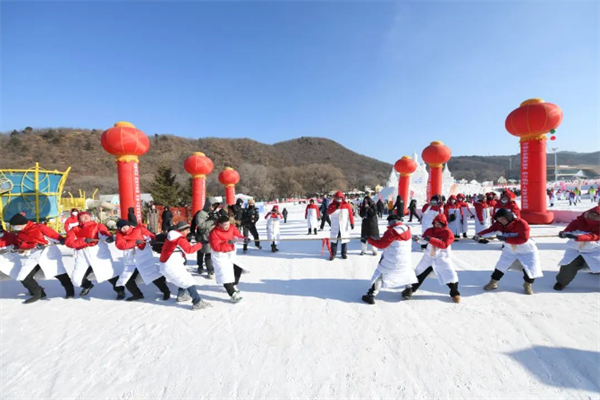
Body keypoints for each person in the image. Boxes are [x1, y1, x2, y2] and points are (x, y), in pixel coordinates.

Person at [474, 208, 542, 295]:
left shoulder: (521, 223)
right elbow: (490, 230)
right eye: (499, 220)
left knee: (530, 268)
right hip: (510, 250)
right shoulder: (498, 224)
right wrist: (480, 235)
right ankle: (493, 282)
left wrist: (506, 239)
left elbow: (523, 239)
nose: (501, 221)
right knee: (501, 265)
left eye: (503, 219)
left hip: (527, 250)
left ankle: (527, 284)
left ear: (508, 217)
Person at [9, 213, 74, 303]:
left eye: (15, 226)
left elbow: (54, 235)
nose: (14, 228)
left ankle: (70, 291)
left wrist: (62, 240)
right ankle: (39, 293)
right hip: (33, 256)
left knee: (59, 273)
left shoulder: (39, 227)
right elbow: (22, 245)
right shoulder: (20, 233)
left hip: (47, 254)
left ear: (22, 223)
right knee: (23, 276)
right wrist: (20, 248)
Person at [66, 212, 124, 299]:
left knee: (109, 274)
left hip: (98, 253)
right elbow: (69, 242)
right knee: (76, 279)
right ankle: (87, 285)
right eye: (82, 216)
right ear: (79, 219)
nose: (85, 217)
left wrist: (108, 238)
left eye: (87, 215)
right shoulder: (74, 229)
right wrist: (84, 240)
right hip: (82, 254)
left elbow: (104, 234)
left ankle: (120, 290)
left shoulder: (98, 226)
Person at [361, 215, 416, 304]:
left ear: (391, 221)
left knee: (379, 274)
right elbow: (391, 241)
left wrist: (369, 239)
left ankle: (371, 295)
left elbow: (382, 245)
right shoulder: (407, 228)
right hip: (405, 260)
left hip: (392, 260)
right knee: (406, 272)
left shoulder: (391, 232)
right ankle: (408, 290)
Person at [159, 221, 210, 310]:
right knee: (188, 280)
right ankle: (197, 302)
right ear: (182, 230)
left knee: (183, 278)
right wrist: (201, 244)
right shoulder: (179, 238)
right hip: (171, 265)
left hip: (169, 264)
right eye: (187, 230)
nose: (188, 232)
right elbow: (189, 250)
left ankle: (182, 295)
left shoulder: (172, 236)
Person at [115, 219, 170, 301]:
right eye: (122, 228)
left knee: (152, 274)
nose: (124, 229)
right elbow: (120, 245)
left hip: (143, 257)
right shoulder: (119, 235)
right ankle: (137, 294)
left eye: (125, 226)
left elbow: (151, 236)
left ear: (128, 225)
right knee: (126, 278)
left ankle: (166, 291)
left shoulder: (139, 229)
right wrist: (134, 243)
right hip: (131, 261)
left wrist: (151, 239)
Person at [410, 214, 460, 303]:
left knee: (450, 274)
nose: (437, 225)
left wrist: (431, 239)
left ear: (444, 224)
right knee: (419, 272)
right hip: (429, 256)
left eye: (439, 224)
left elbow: (443, 245)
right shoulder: (429, 230)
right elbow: (424, 240)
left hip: (442, 257)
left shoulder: (448, 232)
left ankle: (455, 293)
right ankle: (410, 290)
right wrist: (418, 239)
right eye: (436, 223)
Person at [554, 206, 600, 290]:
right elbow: (573, 225)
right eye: (592, 214)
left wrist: (578, 237)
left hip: (595, 250)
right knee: (569, 264)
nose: (593, 217)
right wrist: (564, 233)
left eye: (596, 216)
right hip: (576, 249)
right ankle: (561, 282)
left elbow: (594, 236)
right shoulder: (581, 220)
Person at [209, 215, 247, 303]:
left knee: (238, 268)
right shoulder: (214, 232)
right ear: (220, 224)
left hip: (230, 253)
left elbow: (238, 236)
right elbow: (216, 247)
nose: (227, 227)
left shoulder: (232, 227)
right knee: (224, 275)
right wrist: (227, 242)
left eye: (228, 224)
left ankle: (233, 284)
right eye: (225, 225)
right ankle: (232, 294)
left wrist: (244, 239)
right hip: (220, 255)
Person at [190, 197, 221, 277]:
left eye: (215, 206)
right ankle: (203, 267)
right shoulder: (200, 213)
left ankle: (209, 269)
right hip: (202, 236)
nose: (213, 208)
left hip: (210, 236)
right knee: (202, 252)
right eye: (212, 206)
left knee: (208, 253)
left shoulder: (213, 213)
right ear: (208, 205)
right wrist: (212, 220)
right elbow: (201, 226)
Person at [328, 191, 354, 260]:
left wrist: (352, 222)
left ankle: (344, 253)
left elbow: (350, 214)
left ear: (342, 198)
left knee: (344, 240)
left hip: (344, 225)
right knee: (334, 240)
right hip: (335, 226)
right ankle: (333, 254)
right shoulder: (332, 205)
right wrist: (335, 208)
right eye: (337, 198)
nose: (339, 199)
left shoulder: (347, 205)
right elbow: (329, 212)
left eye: (340, 198)